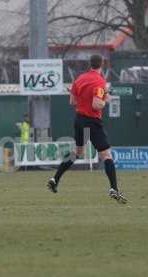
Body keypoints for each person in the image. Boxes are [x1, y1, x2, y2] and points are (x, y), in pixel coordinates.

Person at [47, 54, 127, 203]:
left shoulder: (80, 79)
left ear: (90, 64)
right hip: (92, 121)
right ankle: (114, 188)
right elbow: (97, 104)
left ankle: (55, 178)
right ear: (101, 65)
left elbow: (72, 101)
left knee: (77, 152)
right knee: (106, 155)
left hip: (79, 120)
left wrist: (88, 98)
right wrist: (105, 100)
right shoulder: (100, 81)